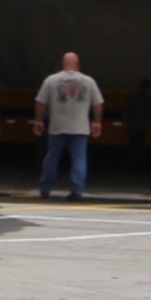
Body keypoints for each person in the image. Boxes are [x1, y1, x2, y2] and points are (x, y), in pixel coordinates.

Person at [32, 50, 104, 201]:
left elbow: (40, 102)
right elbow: (97, 103)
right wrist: (97, 121)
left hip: (57, 126)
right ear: (77, 65)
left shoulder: (51, 80)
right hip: (80, 127)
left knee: (52, 157)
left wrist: (38, 120)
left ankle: (45, 189)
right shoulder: (88, 81)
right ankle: (77, 190)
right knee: (79, 158)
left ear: (63, 64)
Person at [123, 78, 151, 159]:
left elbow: (126, 110)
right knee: (139, 145)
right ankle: (138, 160)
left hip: (131, 126)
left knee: (133, 144)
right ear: (148, 87)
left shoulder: (131, 97)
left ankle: (132, 159)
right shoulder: (148, 99)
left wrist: (125, 122)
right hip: (142, 126)